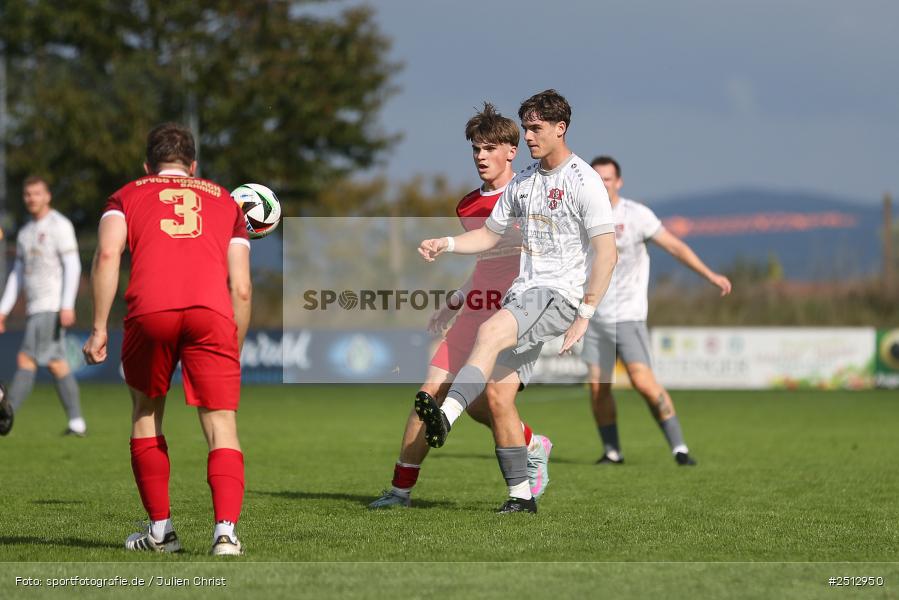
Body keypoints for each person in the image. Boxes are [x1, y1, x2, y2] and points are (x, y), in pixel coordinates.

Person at [415, 90, 618, 513]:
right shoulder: (525, 181)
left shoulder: (584, 181)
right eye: (525, 127)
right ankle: (521, 496)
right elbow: (488, 236)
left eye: (536, 128)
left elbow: (606, 250)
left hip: (556, 295)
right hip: (523, 297)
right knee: (497, 397)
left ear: (560, 129)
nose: (527, 135)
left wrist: (586, 312)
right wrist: (446, 242)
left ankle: (446, 416)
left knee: (489, 331)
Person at [369, 103, 553, 509]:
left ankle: (519, 493)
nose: (481, 156)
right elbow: (485, 263)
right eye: (475, 149)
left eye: (490, 148)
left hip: (517, 314)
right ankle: (399, 493)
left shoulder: (530, 194)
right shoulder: (468, 205)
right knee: (431, 396)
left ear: (512, 151)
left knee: (496, 397)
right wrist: (454, 301)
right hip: (475, 310)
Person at [82, 123, 252, 556]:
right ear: (193, 166)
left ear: (148, 165)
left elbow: (106, 255)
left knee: (146, 411)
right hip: (211, 313)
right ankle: (226, 535)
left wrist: (100, 326)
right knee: (221, 423)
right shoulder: (227, 202)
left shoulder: (126, 194)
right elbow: (242, 287)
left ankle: (161, 531)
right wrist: (236, 341)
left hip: (150, 310)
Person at [583, 156, 732, 466]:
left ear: (619, 182)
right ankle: (612, 452)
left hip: (628, 315)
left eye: (607, 179)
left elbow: (675, 246)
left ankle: (679, 447)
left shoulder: (636, 215)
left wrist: (710, 275)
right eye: (596, 178)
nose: (602, 184)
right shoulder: (581, 214)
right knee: (598, 388)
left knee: (643, 382)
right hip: (593, 316)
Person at [0, 176, 84, 436]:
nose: (31, 198)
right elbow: (17, 274)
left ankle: (5, 415)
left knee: (26, 359)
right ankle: (76, 423)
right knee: (58, 363)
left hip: (50, 305)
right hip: (35, 307)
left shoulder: (59, 225)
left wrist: (67, 304)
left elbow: (73, 265)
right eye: (27, 194)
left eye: (37, 193)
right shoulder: (25, 232)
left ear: (47, 196)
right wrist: (3, 310)